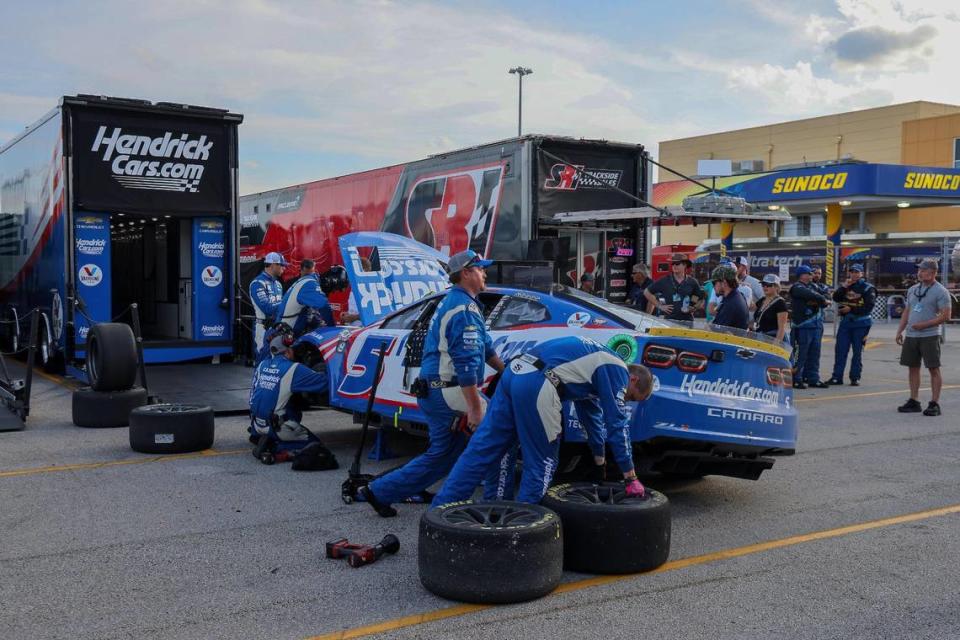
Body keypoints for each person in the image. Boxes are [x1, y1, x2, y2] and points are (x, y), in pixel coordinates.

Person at [361, 249, 506, 517]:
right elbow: (466, 363)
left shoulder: (459, 302)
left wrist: (507, 373)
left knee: (443, 455)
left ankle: (379, 491)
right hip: (449, 390)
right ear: (465, 273)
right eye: (480, 268)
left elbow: (485, 348)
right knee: (497, 434)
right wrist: (475, 408)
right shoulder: (463, 309)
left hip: (435, 391)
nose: (484, 273)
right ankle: (493, 508)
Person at [432, 336, 652, 506]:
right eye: (631, 396)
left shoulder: (595, 364)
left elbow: (592, 419)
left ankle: (440, 513)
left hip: (512, 374)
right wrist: (630, 476)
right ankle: (522, 530)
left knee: (482, 450)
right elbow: (617, 424)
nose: (627, 399)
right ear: (633, 379)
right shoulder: (617, 370)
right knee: (543, 464)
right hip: (540, 383)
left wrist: (599, 464)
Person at [247, 330, 337, 467]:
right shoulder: (294, 369)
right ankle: (274, 448)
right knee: (315, 447)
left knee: (290, 403)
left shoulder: (262, 365)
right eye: (293, 349)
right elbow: (325, 383)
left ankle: (266, 438)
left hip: (255, 424)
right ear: (287, 352)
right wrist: (329, 367)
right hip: (276, 427)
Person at [896, 258, 952, 416]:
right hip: (912, 335)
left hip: (929, 335)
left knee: (933, 368)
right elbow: (907, 311)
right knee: (912, 367)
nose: (919, 273)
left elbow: (946, 316)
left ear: (933, 272)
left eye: (924, 270)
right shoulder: (913, 289)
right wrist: (900, 330)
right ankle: (914, 401)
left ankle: (934, 403)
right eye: (919, 270)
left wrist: (924, 325)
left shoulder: (941, 291)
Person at [826, 264, 876, 386]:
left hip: (861, 324)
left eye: (856, 272)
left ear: (861, 274)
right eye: (852, 272)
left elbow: (868, 307)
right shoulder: (846, 286)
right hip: (846, 323)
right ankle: (837, 377)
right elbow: (836, 298)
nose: (854, 274)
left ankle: (855, 377)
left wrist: (851, 310)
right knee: (840, 350)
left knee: (857, 351)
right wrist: (843, 287)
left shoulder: (868, 288)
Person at [789, 265, 830, 389]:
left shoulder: (814, 286)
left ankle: (813, 378)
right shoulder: (796, 287)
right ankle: (796, 378)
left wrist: (820, 300)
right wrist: (820, 300)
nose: (812, 276)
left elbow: (827, 297)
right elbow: (818, 297)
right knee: (800, 354)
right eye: (809, 273)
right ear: (802, 275)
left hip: (816, 326)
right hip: (802, 327)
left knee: (814, 354)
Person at [643, 253, 704, 323]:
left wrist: (694, 308)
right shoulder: (664, 280)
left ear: (684, 265)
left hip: (688, 321)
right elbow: (646, 292)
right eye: (673, 263)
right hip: (669, 321)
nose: (674, 266)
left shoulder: (692, 282)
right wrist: (660, 306)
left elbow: (700, 299)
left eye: (677, 263)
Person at [249, 252, 286, 359]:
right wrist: (287, 302)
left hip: (277, 327)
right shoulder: (257, 283)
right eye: (282, 265)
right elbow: (267, 308)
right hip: (263, 328)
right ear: (273, 265)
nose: (284, 268)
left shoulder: (278, 284)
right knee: (263, 359)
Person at [710, 265, 750, 330]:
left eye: (714, 283)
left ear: (724, 282)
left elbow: (716, 331)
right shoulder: (736, 296)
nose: (713, 287)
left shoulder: (730, 304)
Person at [753, 274, 789, 343]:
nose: (765, 287)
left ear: (776, 287)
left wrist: (775, 346)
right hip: (759, 337)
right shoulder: (762, 300)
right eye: (763, 284)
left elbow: (782, 328)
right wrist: (746, 288)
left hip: (771, 339)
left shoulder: (780, 303)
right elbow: (750, 307)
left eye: (769, 285)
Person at [341, 257, 372, 326]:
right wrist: (347, 313)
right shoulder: (355, 285)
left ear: (363, 270)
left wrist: (355, 317)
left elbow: (374, 312)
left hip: (364, 328)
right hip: (354, 328)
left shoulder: (371, 287)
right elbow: (355, 308)